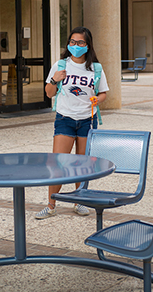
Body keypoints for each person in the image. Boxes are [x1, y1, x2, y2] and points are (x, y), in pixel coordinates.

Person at [35, 26, 109, 220]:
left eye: (80, 42)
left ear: (88, 45)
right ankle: (51, 205)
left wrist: (97, 100)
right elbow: (49, 93)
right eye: (72, 42)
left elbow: (103, 93)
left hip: (88, 119)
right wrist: (54, 79)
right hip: (65, 119)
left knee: (82, 164)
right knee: (57, 163)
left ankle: (79, 201)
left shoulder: (96, 68)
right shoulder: (60, 65)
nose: (76, 46)